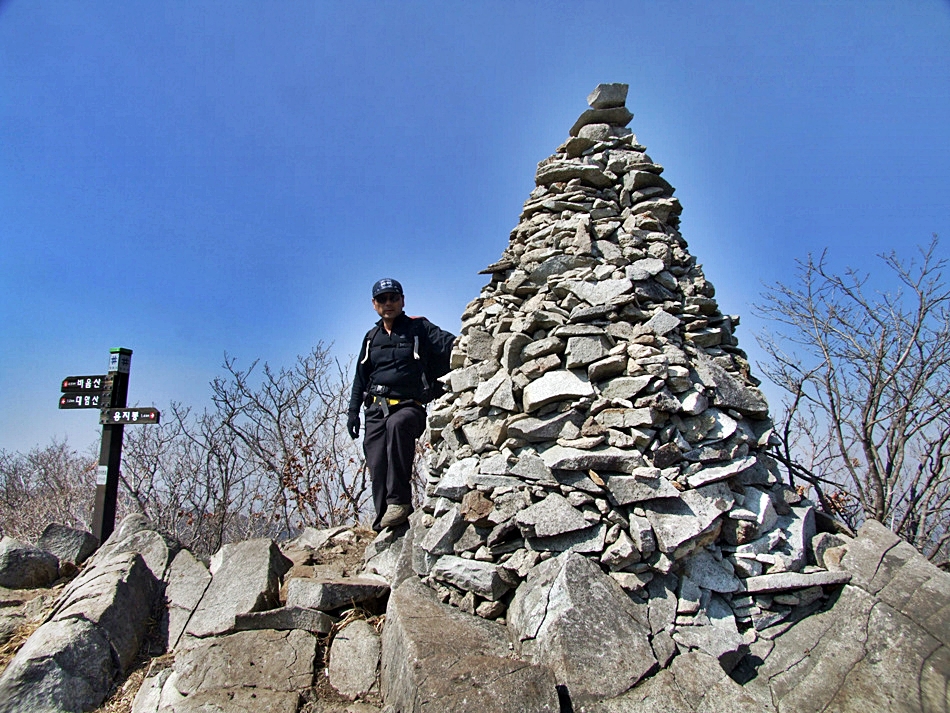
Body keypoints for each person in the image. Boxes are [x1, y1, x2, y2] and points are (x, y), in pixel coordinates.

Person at [347, 278, 455, 531]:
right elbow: (360, 378)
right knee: (376, 461)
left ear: (402, 300)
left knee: (397, 426)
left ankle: (399, 502)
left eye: (393, 298)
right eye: (382, 299)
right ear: (374, 304)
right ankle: (386, 523)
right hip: (375, 408)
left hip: (410, 406)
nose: (388, 303)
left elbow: (450, 344)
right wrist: (353, 413)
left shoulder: (420, 328)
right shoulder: (371, 337)